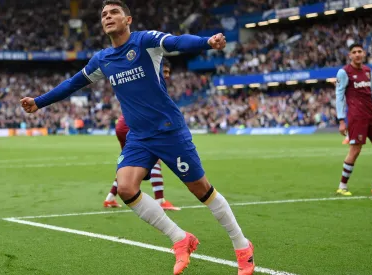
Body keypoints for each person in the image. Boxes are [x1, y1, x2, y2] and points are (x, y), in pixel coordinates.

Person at [20, 1, 254, 274]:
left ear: (128, 19)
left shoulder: (146, 42)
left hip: (169, 131)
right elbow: (73, 83)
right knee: (126, 188)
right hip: (139, 136)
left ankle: (242, 246)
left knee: (201, 190)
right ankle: (180, 238)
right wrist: (39, 102)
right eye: (104, 14)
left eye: (114, 12)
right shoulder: (102, 59)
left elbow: (178, 42)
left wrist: (206, 42)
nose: (107, 17)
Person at [104, 58, 180, 211]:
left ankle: (110, 198)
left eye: (168, 72)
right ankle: (160, 201)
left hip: (124, 124)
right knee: (155, 159)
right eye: (164, 71)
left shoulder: (150, 82)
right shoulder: (152, 83)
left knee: (128, 165)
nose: (166, 75)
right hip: (130, 126)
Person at [335, 43, 372, 196]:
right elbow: (339, 96)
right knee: (355, 150)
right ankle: (342, 186)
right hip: (357, 117)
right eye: (354, 52)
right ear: (350, 55)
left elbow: (371, 92)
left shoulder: (367, 71)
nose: (357, 54)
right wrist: (341, 120)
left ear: (364, 53)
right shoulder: (344, 72)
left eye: (360, 51)